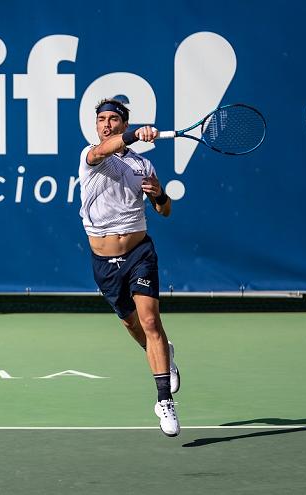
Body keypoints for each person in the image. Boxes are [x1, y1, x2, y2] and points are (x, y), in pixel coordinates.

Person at [78, 98, 181, 437]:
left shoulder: (143, 166)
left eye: (113, 119)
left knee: (151, 319)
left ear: (122, 122)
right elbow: (103, 151)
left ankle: (164, 400)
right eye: (101, 119)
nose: (106, 124)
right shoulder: (91, 156)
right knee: (132, 324)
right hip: (104, 261)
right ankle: (164, 355)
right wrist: (136, 134)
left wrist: (159, 194)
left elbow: (164, 211)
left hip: (139, 251)